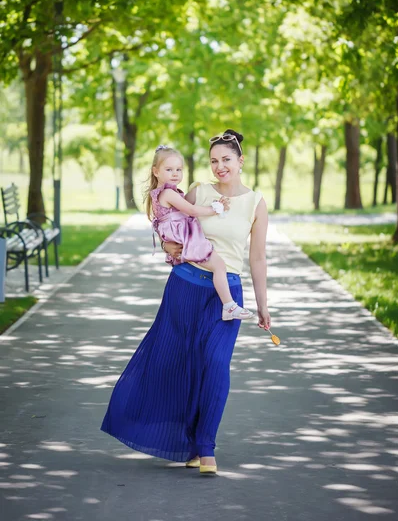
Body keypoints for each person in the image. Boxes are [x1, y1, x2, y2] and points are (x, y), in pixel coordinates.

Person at [101, 129, 271, 474]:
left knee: (215, 364)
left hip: (227, 295)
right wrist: (166, 247)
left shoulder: (256, 203)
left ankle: (206, 446)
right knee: (176, 363)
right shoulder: (199, 191)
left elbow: (257, 259)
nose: (220, 167)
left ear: (240, 161)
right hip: (184, 287)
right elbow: (172, 225)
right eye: (213, 161)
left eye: (226, 160)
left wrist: (264, 305)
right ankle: (184, 441)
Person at [147, 144, 254, 321]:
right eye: (169, 169)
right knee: (219, 265)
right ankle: (228, 305)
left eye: (179, 169)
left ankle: (228, 305)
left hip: (180, 237)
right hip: (186, 238)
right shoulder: (168, 193)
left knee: (217, 265)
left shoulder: (166, 193)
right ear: (156, 171)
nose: (175, 174)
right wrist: (216, 209)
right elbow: (192, 211)